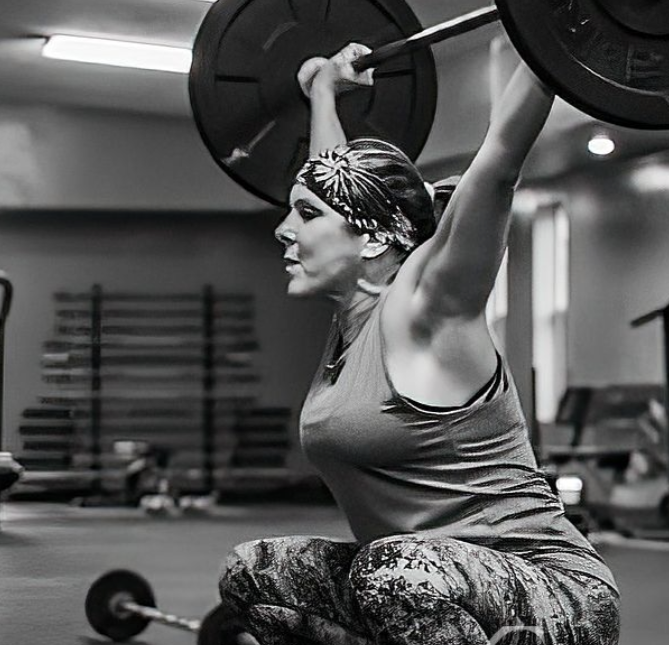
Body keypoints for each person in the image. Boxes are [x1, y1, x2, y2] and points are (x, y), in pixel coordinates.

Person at [219, 42, 620, 645]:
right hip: (424, 580)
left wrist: (554, 41)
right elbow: (337, 183)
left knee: (391, 572)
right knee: (255, 572)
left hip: (555, 595)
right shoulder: (354, 315)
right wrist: (324, 93)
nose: (284, 228)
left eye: (304, 214)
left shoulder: (427, 313)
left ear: (373, 240)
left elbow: (499, 163)